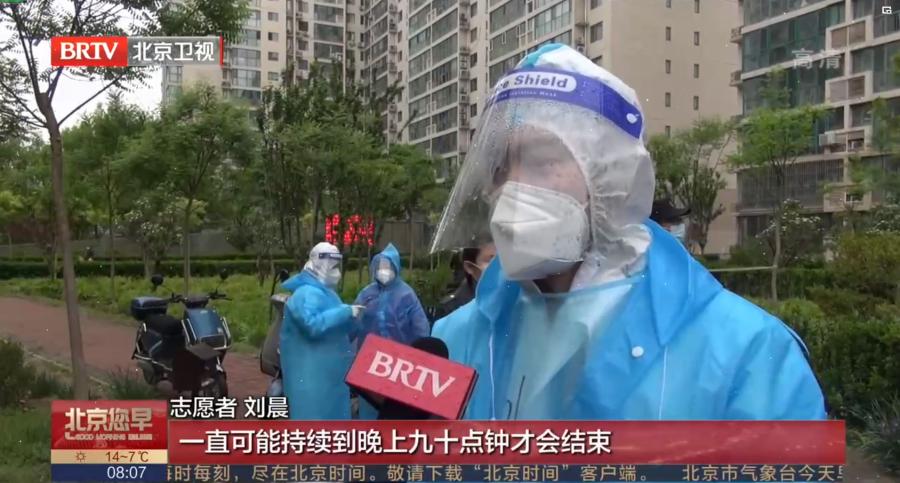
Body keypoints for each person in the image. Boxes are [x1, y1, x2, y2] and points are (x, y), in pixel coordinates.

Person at [430, 43, 826, 421]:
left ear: (610, 180)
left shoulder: (747, 356)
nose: (511, 188)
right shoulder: (456, 339)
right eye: (499, 167)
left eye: (543, 160)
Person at [280, 242, 365, 420]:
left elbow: (335, 329)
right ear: (319, 265)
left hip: (328, 376)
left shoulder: (326, 293)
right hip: (311, 376)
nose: (337, 272)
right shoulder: (305, 294)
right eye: (332, 267)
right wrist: (345, 312)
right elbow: (312, 325)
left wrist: (354, 319)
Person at [352, 243, 431, 419]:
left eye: (388, 267)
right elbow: (353, 324)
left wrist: (420, 359)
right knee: (370, 405)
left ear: (396, 268)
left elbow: (421, 329)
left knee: (395, 407)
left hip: (400, 363)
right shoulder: (366, 294)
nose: (384, 271)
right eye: (380, 267)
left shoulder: (406, 295)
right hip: (370, 361)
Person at [432, 240, 496, 322]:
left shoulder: (509, 299)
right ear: (470, 267)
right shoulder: (451, 310)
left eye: (502, 258)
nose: (500, 265)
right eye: (492, 260)